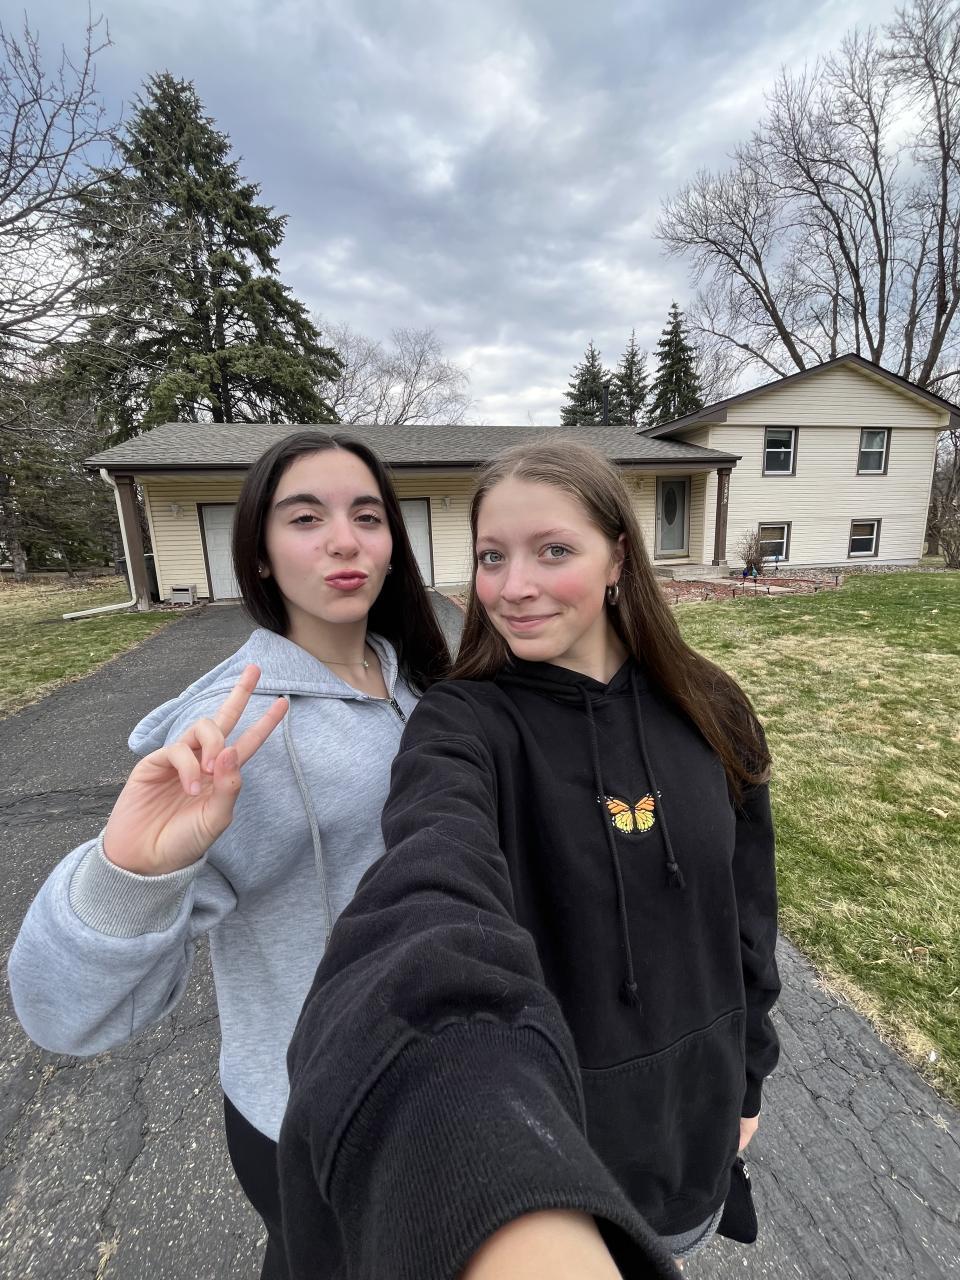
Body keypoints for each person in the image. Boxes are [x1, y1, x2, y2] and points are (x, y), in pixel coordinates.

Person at [276, 440, 781, 1279]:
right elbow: (431, 872)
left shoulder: (712, 707)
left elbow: (750, 916)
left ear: (618, 557)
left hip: (699, 1127)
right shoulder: (461, 725)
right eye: (491, 557)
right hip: (551, 1147)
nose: (513, 587)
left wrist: (750, 1079)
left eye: (553, 550)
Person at [8, 430, 450, 1280]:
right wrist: (130, 870)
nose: (345, 540)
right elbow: (62, 1015)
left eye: (367, 516)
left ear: (393, 544)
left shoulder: (412, 678)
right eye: (305, 518)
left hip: (435, 1087)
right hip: (314, 1119)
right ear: (258, 555)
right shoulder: (232, 737)